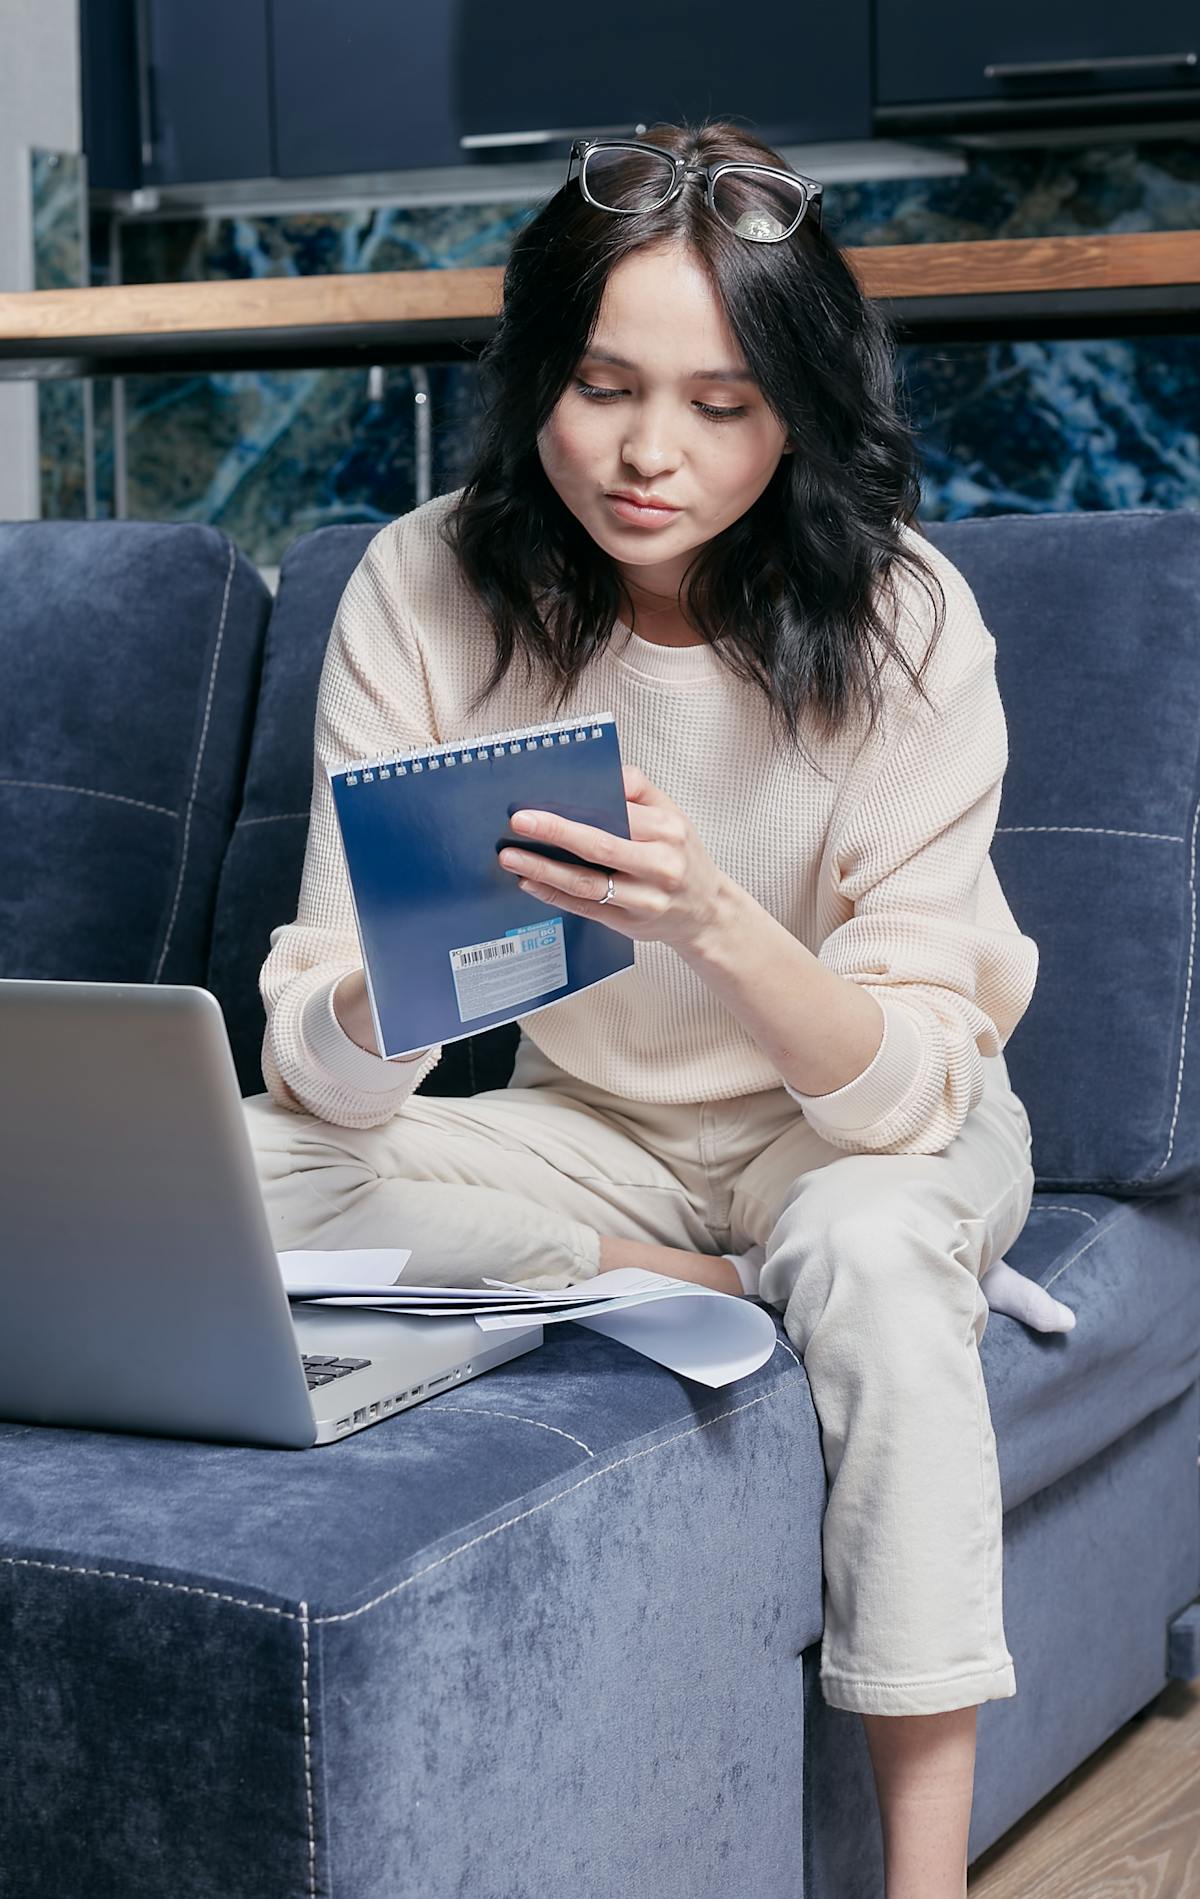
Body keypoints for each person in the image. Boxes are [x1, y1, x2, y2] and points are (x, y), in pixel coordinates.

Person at [244, 120, 1070, 1897]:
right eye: (604, 385)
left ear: (797, 411)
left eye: (722, 403)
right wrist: (388, 998)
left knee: (860, 1248)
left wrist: (712, 923)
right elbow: (320, 1079)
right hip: (592, 1136)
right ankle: (676, 1289)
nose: (645, 454)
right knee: (235, 1180)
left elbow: (904, 1086)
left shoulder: (911, 620)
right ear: (539, 369)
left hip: (864, 1121)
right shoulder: (426, 580)